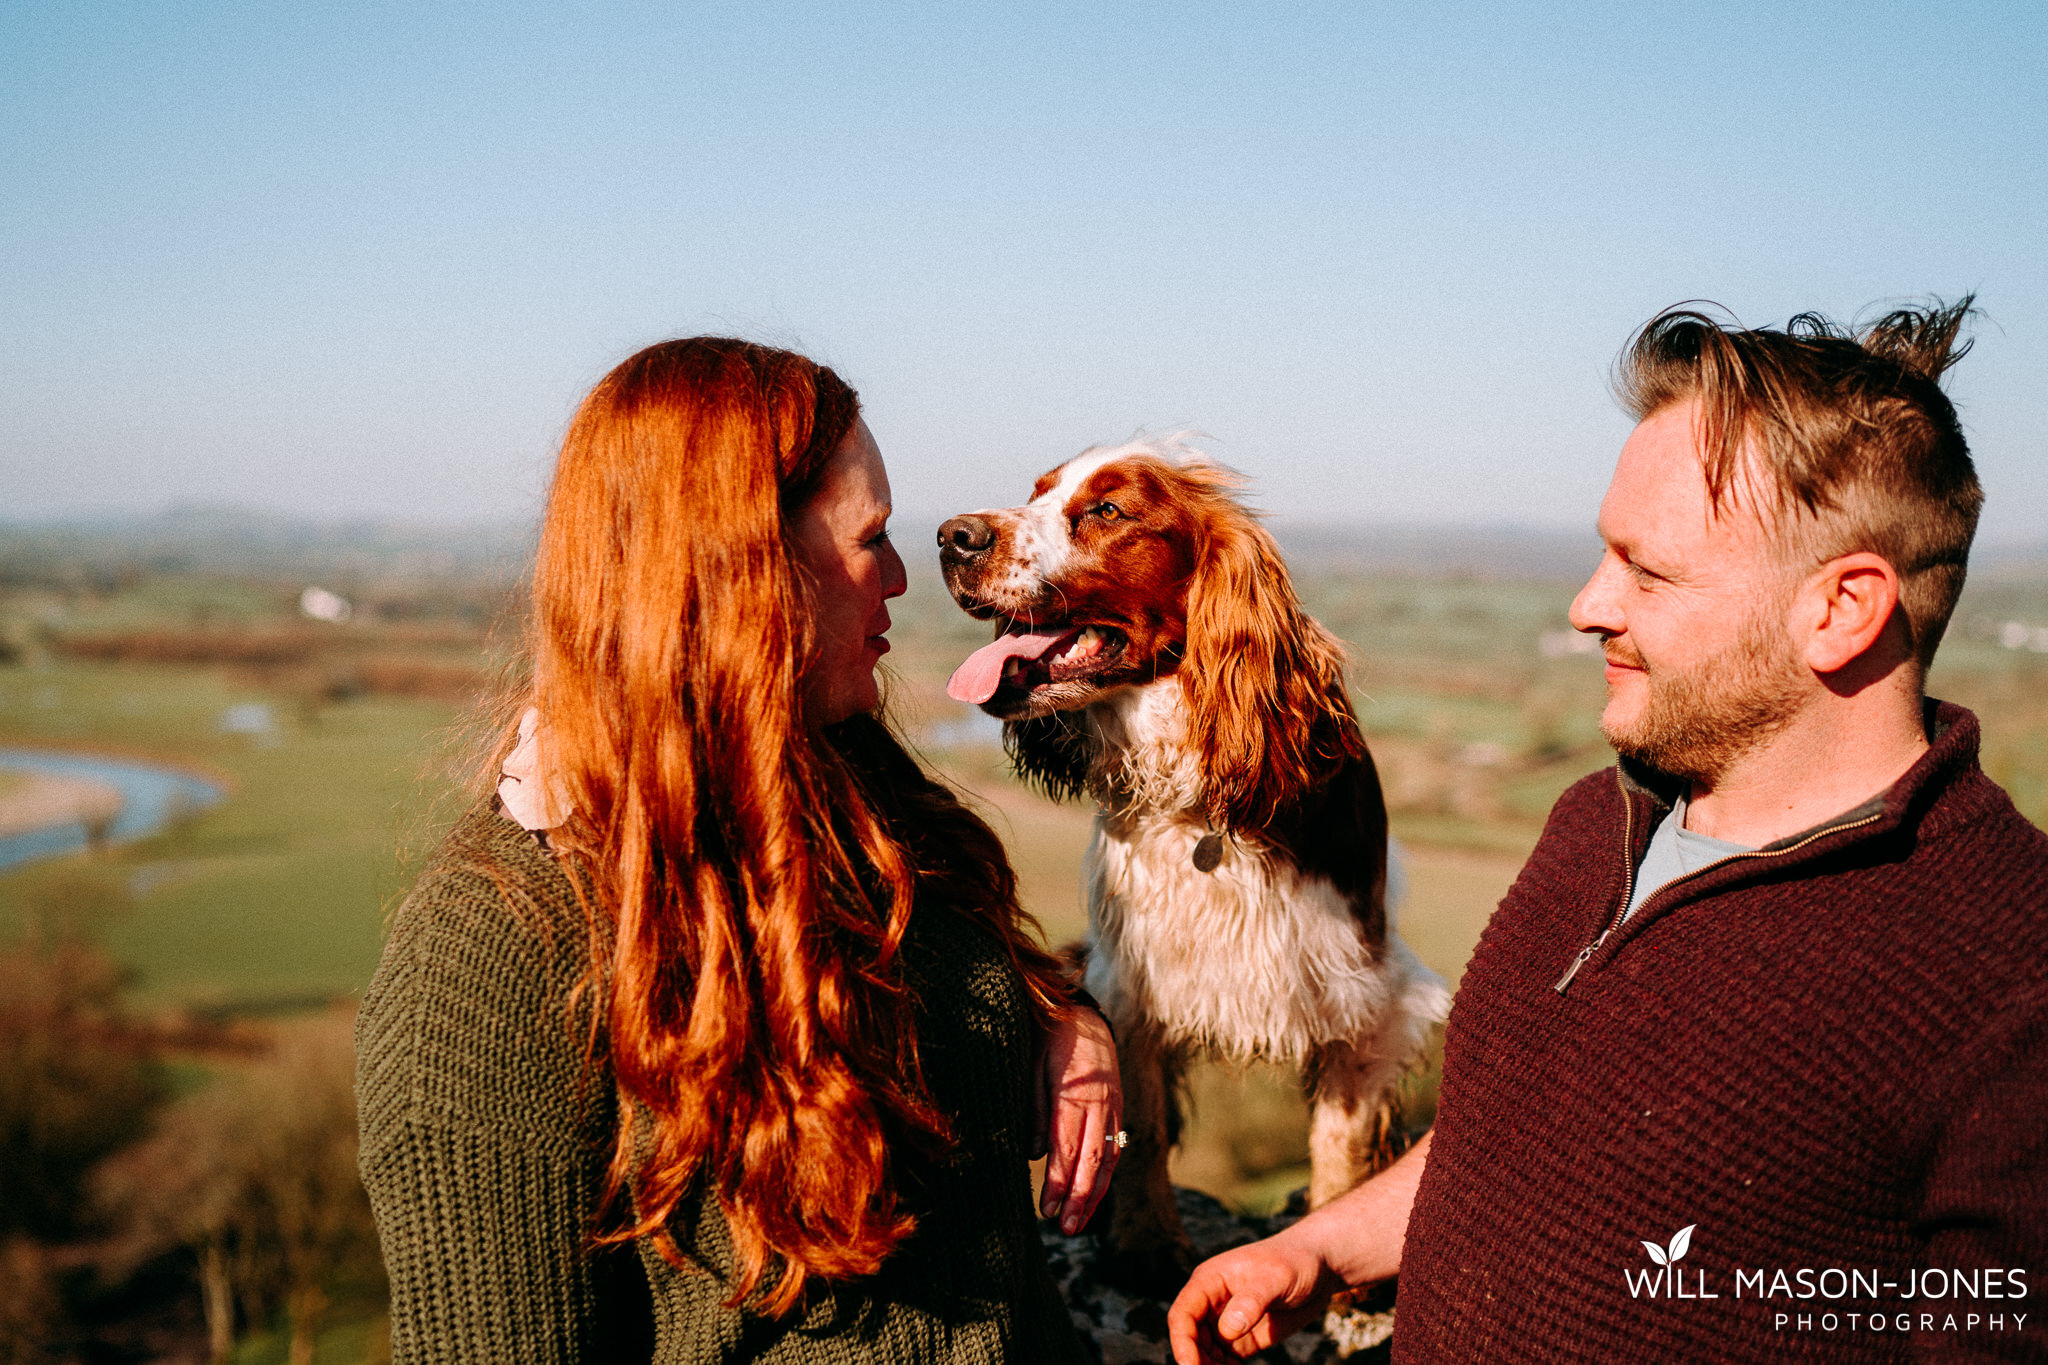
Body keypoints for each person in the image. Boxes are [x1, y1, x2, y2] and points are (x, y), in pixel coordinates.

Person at [1169, 298, 2048, 1364]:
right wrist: (1321, 1248)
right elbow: (1515, 1136)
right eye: (1601, 556)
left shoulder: (2010, 974)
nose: (1588, 606)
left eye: (1647, 571)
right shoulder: (1599, 817)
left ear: (1839, 609)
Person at [356, 338, 1120, 1362]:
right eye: (869, 539)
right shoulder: (496, 950)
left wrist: (1055, 1009)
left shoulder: (848, 785)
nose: (900, 579)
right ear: (737, 564)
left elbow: (940, 994)